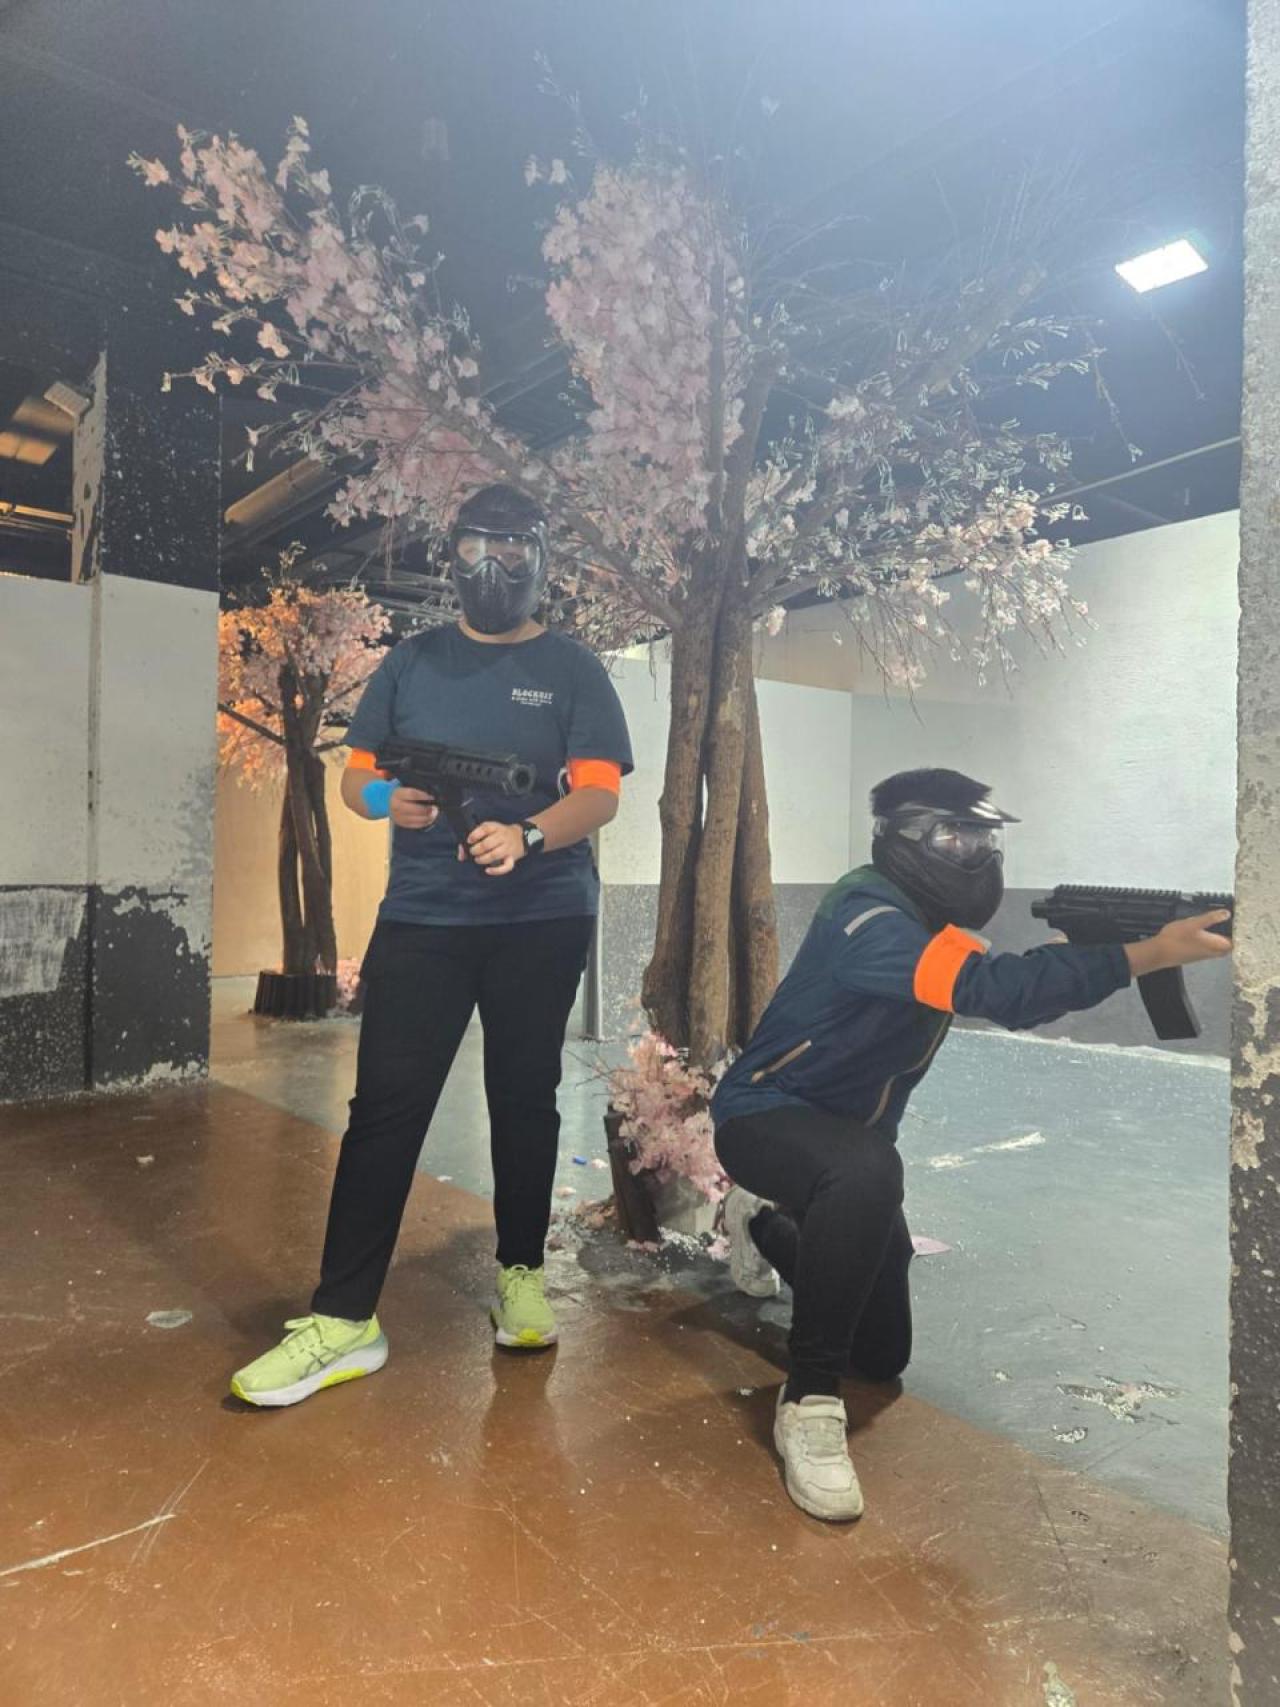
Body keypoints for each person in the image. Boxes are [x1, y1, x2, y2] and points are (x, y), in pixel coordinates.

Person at [712, 768, 1232, 1522]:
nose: (977, 854)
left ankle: (763, 1219)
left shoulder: (930, 924)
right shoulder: (867, 914)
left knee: (880, 1355)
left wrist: (1099, 951)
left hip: (846, 1142)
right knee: (866, 1172)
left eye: (985, 839)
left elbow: (1006, 984)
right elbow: (994, 991)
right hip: (765, 1114)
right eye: (957, 837)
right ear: (902, 838)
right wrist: (1145, 954)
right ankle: (809, 1401)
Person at [231, 484, 633, 1407]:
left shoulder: (573, 669)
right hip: (423, 918)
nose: (494, 567)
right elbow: (355, 778)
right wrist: (390, 801)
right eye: (477, 547)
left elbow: (600, 792)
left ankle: (521, 1274)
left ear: (540, 558)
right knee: (385, 1107)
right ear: (453, 555)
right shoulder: (410, 663)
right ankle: (344, 1318)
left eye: (513, 549)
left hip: (541, 918)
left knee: (524, 1100)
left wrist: (529, 834)